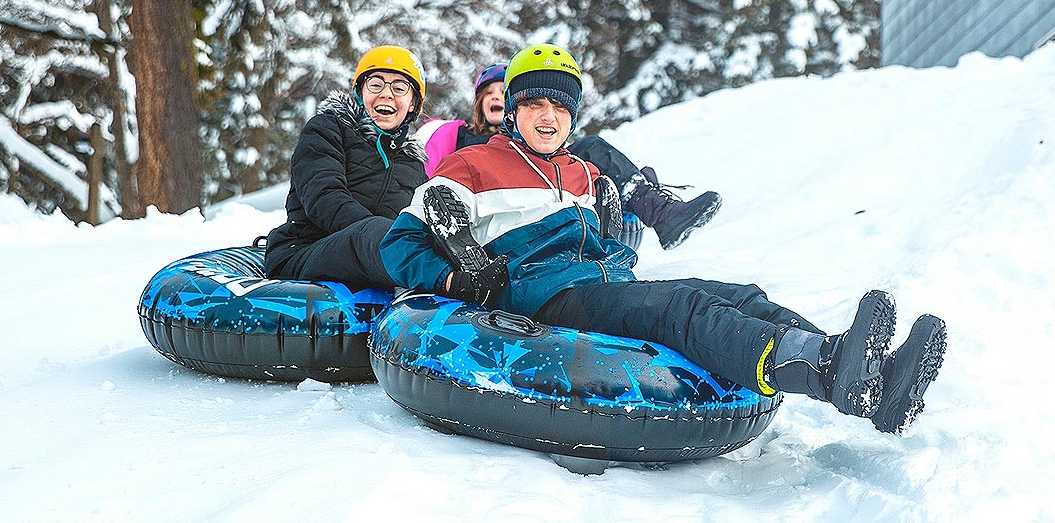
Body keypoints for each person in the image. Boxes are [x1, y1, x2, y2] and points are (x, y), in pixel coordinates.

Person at [380, 43, 947, 434]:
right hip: (542, 295)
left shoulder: (581, 172)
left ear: (573, 114)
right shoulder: (473, 165)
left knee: (741, 295)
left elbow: (610, 242)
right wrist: (454, 277)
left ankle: (865, 373)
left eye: (559, 105)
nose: (546, 116)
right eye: (533, 104)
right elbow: (400, 243)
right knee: (681, 308)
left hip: (600, 285)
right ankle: (826, 370)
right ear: (516, 111)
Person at [415, 62, 721, 251]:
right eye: (488, 92)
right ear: (479, 102)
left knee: (590, 150)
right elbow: (433, 180)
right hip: (499, 215)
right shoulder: (459, 137)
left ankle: (657, 208)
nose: (496, 97)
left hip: (547, 189)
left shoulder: (537, 135)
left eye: (502, 91)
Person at [263, 45, 427, 290]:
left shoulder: (413, 165)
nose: (386, 94)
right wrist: (386, 238)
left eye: (400, 88)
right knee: (369, 234)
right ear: (360, 92)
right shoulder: (328, 129)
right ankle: (448, 281)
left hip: (375, 259)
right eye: (376, 84)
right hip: (305, 251)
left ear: (413, 104)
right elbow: (324, 198)